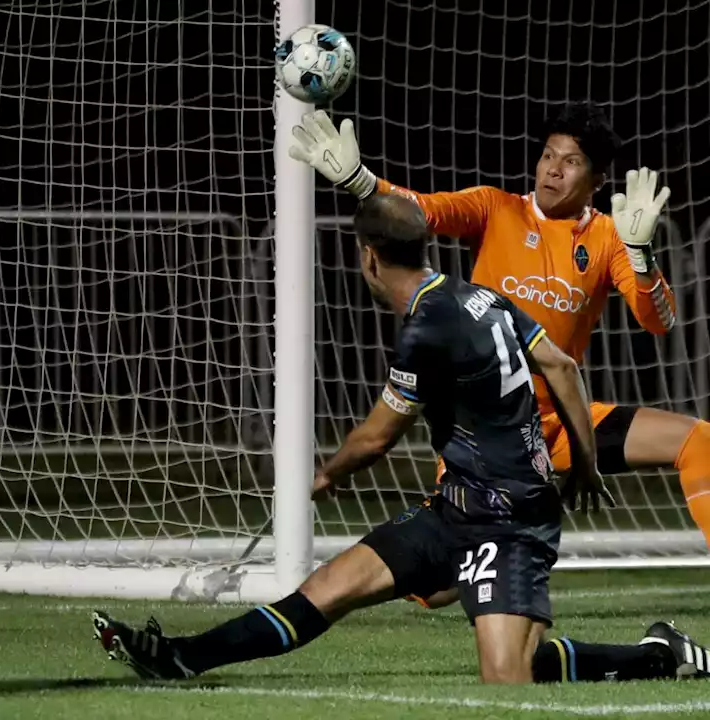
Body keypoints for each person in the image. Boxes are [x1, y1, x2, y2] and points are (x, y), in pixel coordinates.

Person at [92, 194, 710, 684]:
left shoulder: (426, 329)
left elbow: (378, 438)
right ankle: (179, 657)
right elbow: (562, 365)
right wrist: (584, 466)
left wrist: (327, 476)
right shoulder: (481, 296)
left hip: (508, 523)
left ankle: (655, 655)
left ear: (368, 258)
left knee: (508, 681)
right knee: (327, 590)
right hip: (455, 510)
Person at [287, 103, 710, 569]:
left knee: (698, 440)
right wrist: (360, 182)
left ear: (597, 180)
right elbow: (419, 211)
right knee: (447, 581)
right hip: (486, 432)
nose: (552, 170)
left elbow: (659, 321)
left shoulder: (610, 238)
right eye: (548, 155)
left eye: (570, 162)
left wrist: (640, 254)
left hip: (562, 423)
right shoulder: (495, 209)